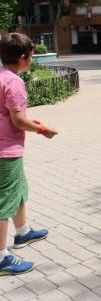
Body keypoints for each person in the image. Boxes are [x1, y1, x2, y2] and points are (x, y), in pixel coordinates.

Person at [0, 33, 57, 275]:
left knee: (19, 189)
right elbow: (18, 120)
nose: (32, 60)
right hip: (5, 150)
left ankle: (22, 232)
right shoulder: (14, 82)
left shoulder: (2, 76)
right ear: (23, 58)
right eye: (31, 56)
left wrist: (25, 121)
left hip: (6, 146)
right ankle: (2, 257)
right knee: (4, 201)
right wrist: (42, 129)